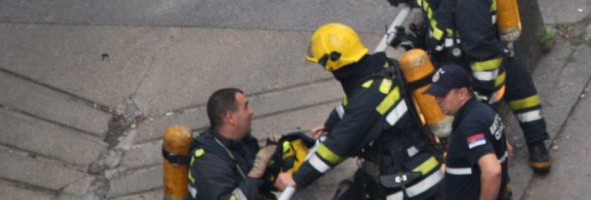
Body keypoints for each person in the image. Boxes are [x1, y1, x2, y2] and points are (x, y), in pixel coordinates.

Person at [400, 0, 551, 172]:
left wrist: (479, 97)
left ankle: (535, 142)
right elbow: (436, 18)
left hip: (478, 67)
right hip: (457, 62)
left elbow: (484, 54)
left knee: (519, 92)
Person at [275, 23, 444, 199]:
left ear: (332, 62)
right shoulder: (378, 70)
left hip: (410, 185)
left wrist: (297, 178)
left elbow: (339, 146)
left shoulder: (370, 95)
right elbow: (349, 106)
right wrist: (329, 126)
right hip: (397, 169)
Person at [426, 65, 512, 200]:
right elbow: (507, 148)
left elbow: (493, 171)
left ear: (462, 93)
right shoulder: (483, 110)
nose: (437, 100)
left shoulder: (470, 127)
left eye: (443, 95)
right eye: (436, 95)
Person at [187, 88, 279, 200]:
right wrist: (256, 174)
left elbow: (256, 182)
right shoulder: (208, 164)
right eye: (246, 106)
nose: (251, 111)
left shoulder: (242, 141)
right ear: (230, 118)